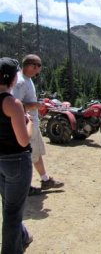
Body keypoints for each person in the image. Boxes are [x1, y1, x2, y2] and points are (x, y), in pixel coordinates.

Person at [12, 54, 64, 196]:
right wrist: (35, 105)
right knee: (26, 157)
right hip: (25, 125)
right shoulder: (20, 81)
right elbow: (14, 105)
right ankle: (25, 187)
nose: (39, 70)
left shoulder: (27, 79)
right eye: (39, 66)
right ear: (31, 65)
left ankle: (45, 180)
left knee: (36, 153)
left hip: (32, 124)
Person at [0, 57, 34, 253]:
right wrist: (28, 122)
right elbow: (23, 140)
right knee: (13, 212)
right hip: (16, 162)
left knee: (8, 205)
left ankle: (22, 237)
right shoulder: (12, 103)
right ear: (13, 79)